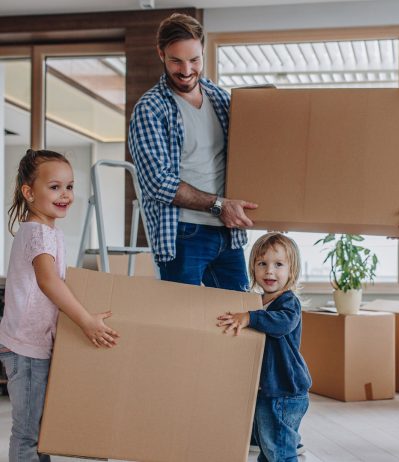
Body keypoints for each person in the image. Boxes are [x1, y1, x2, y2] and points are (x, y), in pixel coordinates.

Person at [0, 149, 120, 462]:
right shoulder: (38, 233)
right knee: (28, 433)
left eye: (69, 186)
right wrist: (86, 321)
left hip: (36, 344)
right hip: (25, 348)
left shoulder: (48, 231)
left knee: (42, 429)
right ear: (29, 192)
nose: (65, 194)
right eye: (54, 187)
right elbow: (49, 282)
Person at [128, 13, 257, 291]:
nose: (186, 70)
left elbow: (249, 157)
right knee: (182, 321)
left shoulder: (220, 99)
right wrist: (219, 205)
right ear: (161, 53)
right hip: (184, 232)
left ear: (203, 50)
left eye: (194, 60)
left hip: (229, 233)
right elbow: (157, 183)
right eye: (176, 60)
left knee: (236, 320)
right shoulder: (150, 109)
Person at [217, 233, 311, 461]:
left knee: (279, 451)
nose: (269, 271)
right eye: (262, 264)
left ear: (292, 271)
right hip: (268, 389)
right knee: (267, 448)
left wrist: (250, 317)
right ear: (253, 269)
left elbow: (282, 323)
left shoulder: (288, 302)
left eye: (278, 265)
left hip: (284, 391)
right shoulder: (257, 302)